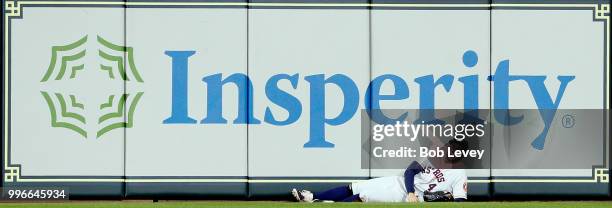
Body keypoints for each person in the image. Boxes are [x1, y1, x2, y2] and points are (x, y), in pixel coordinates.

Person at [291, 161, 467, 203]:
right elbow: (410, 170)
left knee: (362, 196)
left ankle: (322, 204)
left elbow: (460, 201)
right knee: (353, 187)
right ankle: (313, 197)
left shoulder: (459, 174)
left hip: (406, 196)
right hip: (402, 185)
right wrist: (411, 190)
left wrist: (447, 199)